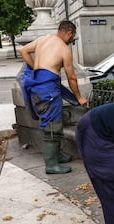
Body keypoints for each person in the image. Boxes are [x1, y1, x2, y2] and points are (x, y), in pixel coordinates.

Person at [19, 20, 88, 174]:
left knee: (53, 123)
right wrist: (79, 97)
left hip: (38, 87)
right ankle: (51, 165)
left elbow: (23, 50)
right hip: (48, 91)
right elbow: (71, 78)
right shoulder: (64, 49)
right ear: (69, 33)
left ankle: (56, 156)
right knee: (52, 127)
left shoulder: (43, 39)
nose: (72, 40)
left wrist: (36, 68)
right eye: (73, 36)